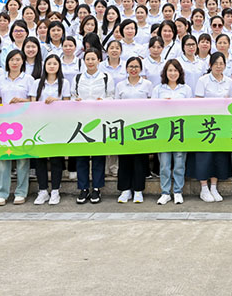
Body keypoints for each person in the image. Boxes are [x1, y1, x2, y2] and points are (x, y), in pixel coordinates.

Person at [71, 48, 112, 204]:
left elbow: (112, 97)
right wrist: (76, 101)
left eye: (93, 59)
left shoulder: (106, 77)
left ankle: (96, 188)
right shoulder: (77, 78)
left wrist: (104, 102)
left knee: (98, 156)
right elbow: (72, 96)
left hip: (100, 120)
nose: (90, 62)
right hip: (81, 121)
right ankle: (83, 188)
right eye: (87, 59)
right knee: (81, 156)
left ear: (99, 60)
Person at [192, 52, 232, 203]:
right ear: (210, 65)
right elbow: (198, 102)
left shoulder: (229, 82)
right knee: (205, 155)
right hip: (206, 123)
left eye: (221, 63)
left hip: (222, 123)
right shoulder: (203, 80)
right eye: (215, 63)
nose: (218, 66)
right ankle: (204, 188)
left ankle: (214, 187)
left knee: (219, 155)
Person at [0, 50, 33, 206]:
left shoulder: (28, 79)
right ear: (7, 62)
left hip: (23, 123)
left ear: (23, 61)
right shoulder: (0, 79)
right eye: (12, 60)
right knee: (4, 159)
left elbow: (34, 101)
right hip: (4, 124)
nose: (15, 63)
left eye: (18, 59)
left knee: (22, 160)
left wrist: (22, 101)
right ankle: (1, 193)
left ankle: (21, 192)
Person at [30, 54, 70, 205]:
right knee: (40, 159)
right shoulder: (36, 83)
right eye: (49, 63)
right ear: (44, 66)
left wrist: (56, 101)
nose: (52, 66)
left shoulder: (64, 83)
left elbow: (67, 104)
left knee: (56, 159)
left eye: (55, 63)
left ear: (59, 66)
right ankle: (42, 190)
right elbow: (33, 104)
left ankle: (55, 191)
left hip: (57, 126)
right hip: (39, 125)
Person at [154, 59, 193, 205]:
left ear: (180, 72)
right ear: (165, 72)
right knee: (164, 163)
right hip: (163, 130)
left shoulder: (186, 89)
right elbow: (152, 109)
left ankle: (177, 191)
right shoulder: (158, 89)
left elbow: (191, 109)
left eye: (175, 70)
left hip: (180, 130)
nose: (172, 73)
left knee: (179, 162)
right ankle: (165, 192)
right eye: (170, 70)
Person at [115, 57, 153, 203]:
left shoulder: (147, 84)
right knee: (124, 159)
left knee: (139, 159)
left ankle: (138, 190)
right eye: (130, 66)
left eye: (136, 66)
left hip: (142, 126)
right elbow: (115, 105)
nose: (133, 69)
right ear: (126, 68)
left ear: (141, 69)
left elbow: (152, 104)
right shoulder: (120, 85)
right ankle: (125, 190)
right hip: (124, 126)